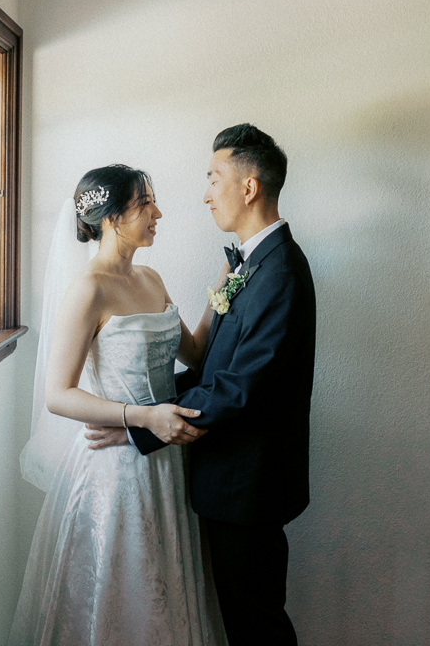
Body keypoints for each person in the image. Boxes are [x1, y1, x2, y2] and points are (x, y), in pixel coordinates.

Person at [88, 124, 316, 645]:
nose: (206, 194)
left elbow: (237, 389)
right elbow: (213, 368)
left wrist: (140, 427)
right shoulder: (255, 263)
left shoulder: (279, 272)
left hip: (248, 486)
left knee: (256, 625)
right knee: (239, 618)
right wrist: (145, 406)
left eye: (214, 178)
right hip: (230, 482)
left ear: (249, 188)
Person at [10, 164, 227, 646]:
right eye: (145, 204)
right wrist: (142, 418)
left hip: (168, 461)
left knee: (167, 587)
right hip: (116, 466)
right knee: (119, 592)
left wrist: (225, 284)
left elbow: (194, 351)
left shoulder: (151, 277)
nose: (158, 213)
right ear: (110, 218)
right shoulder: (89, 288)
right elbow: (58, 394)